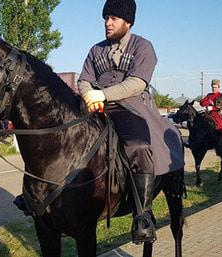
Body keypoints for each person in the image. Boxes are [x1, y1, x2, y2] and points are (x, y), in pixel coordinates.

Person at [78, 0, 184, 244]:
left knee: (138, 146)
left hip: (131, 106)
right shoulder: (95, 50)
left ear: (128, 21)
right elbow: (84, 78)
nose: (108, 22)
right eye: (106, 18)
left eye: (114, 18)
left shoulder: (143, 46)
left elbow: (138, 82)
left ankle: (143, 216)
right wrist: (88, 95)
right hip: (96, 105)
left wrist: (103, 94)